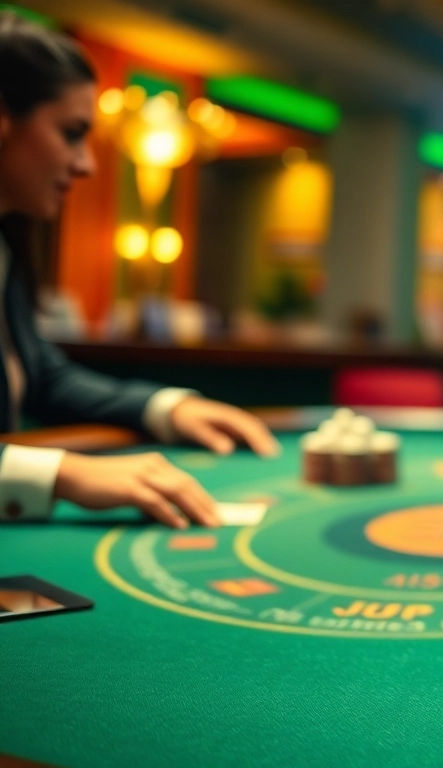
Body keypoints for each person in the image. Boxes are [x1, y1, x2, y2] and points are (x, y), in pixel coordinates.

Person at [0, 14, 278, 529]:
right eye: (71, 134)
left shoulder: (5, 249)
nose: (85, 165)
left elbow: (42, 378)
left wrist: (166, 407)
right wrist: (64, 475)